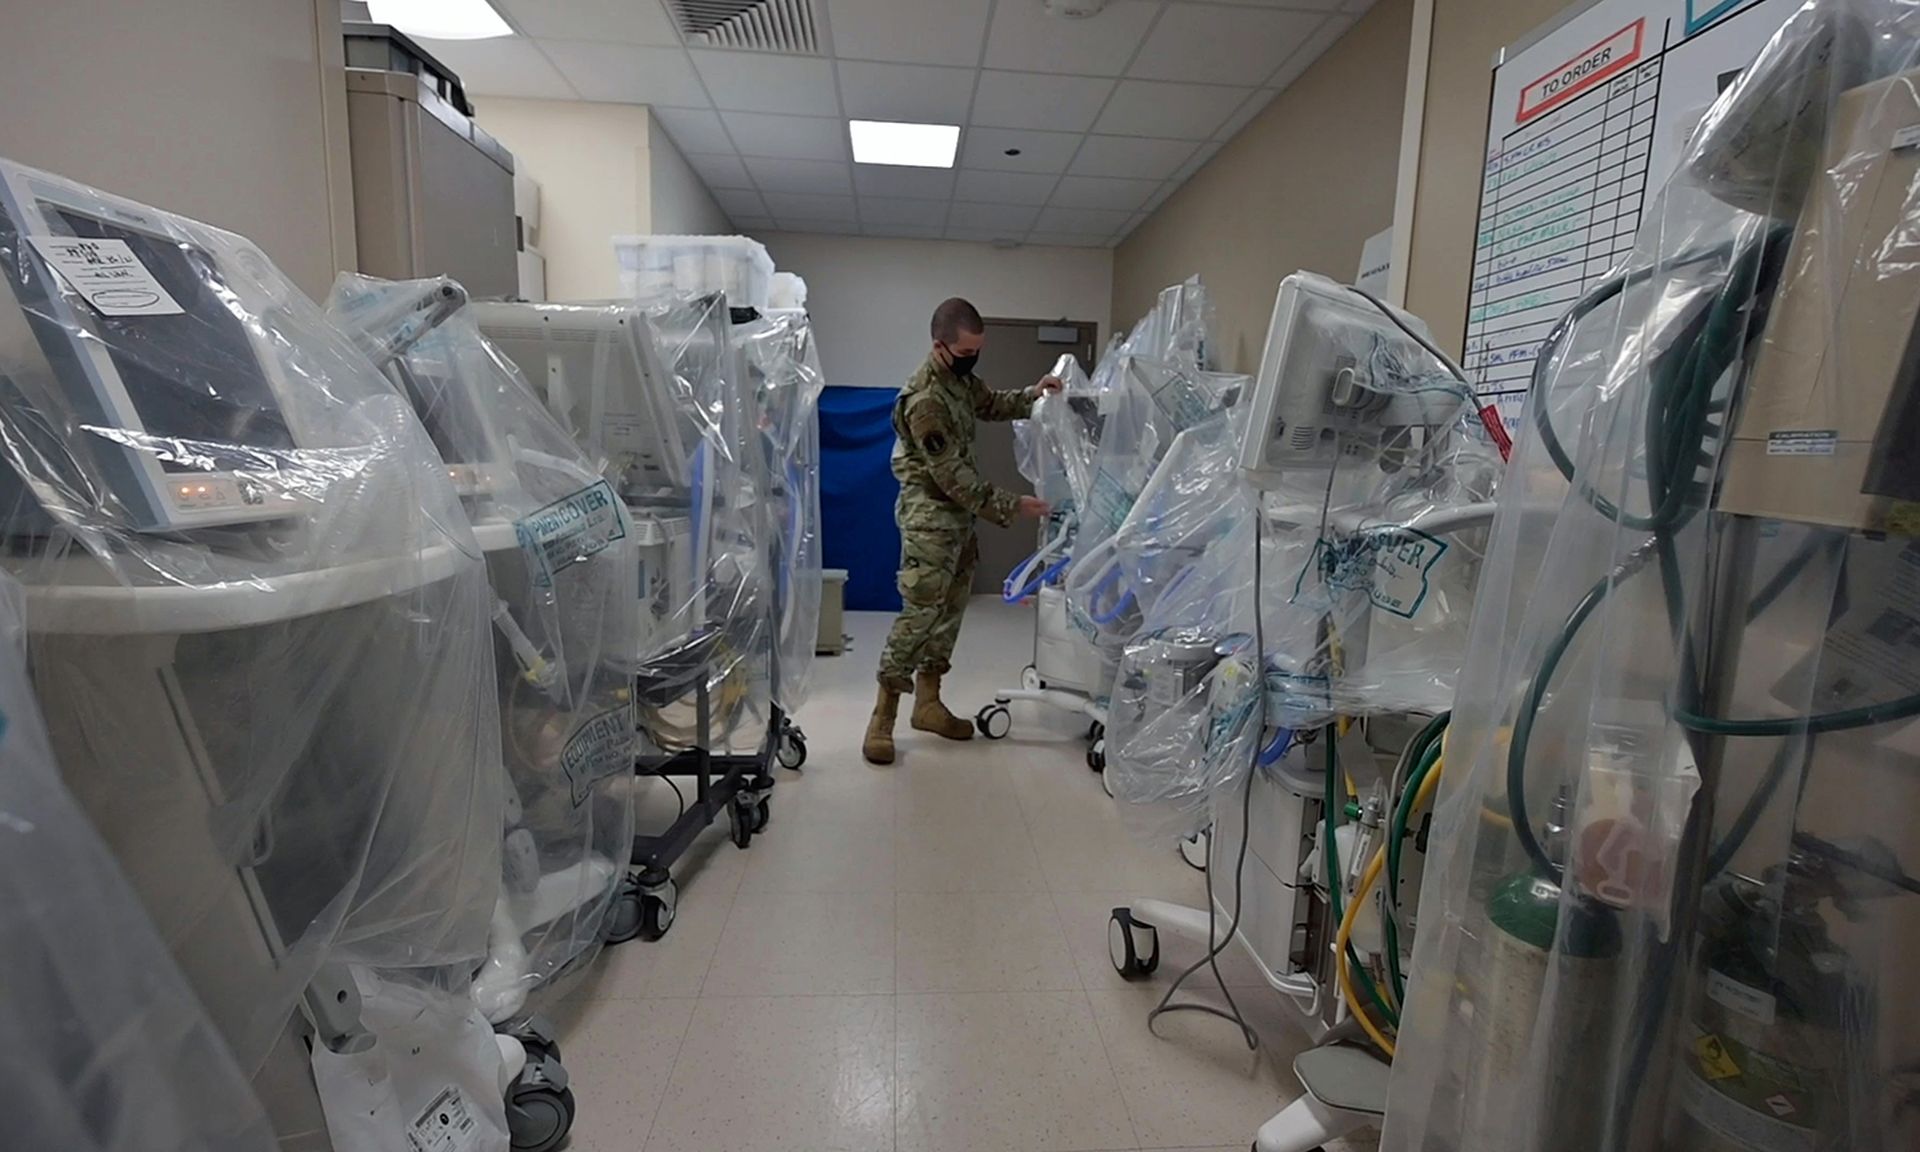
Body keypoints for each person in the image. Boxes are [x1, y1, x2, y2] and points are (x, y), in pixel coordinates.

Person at [864, 298, 1061, 765]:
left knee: (949, 614)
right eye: (968, 351)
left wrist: (1034, 394)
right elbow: (952, 477)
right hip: (930, 519)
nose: (975, 358)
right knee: (918, 617)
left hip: (959, 520)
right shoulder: (926, 399)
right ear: (940, 346)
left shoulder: (957, 380)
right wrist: (1014, 505)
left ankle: (928, 705)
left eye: (979, 350)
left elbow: (989, 402)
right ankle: (882, 718)